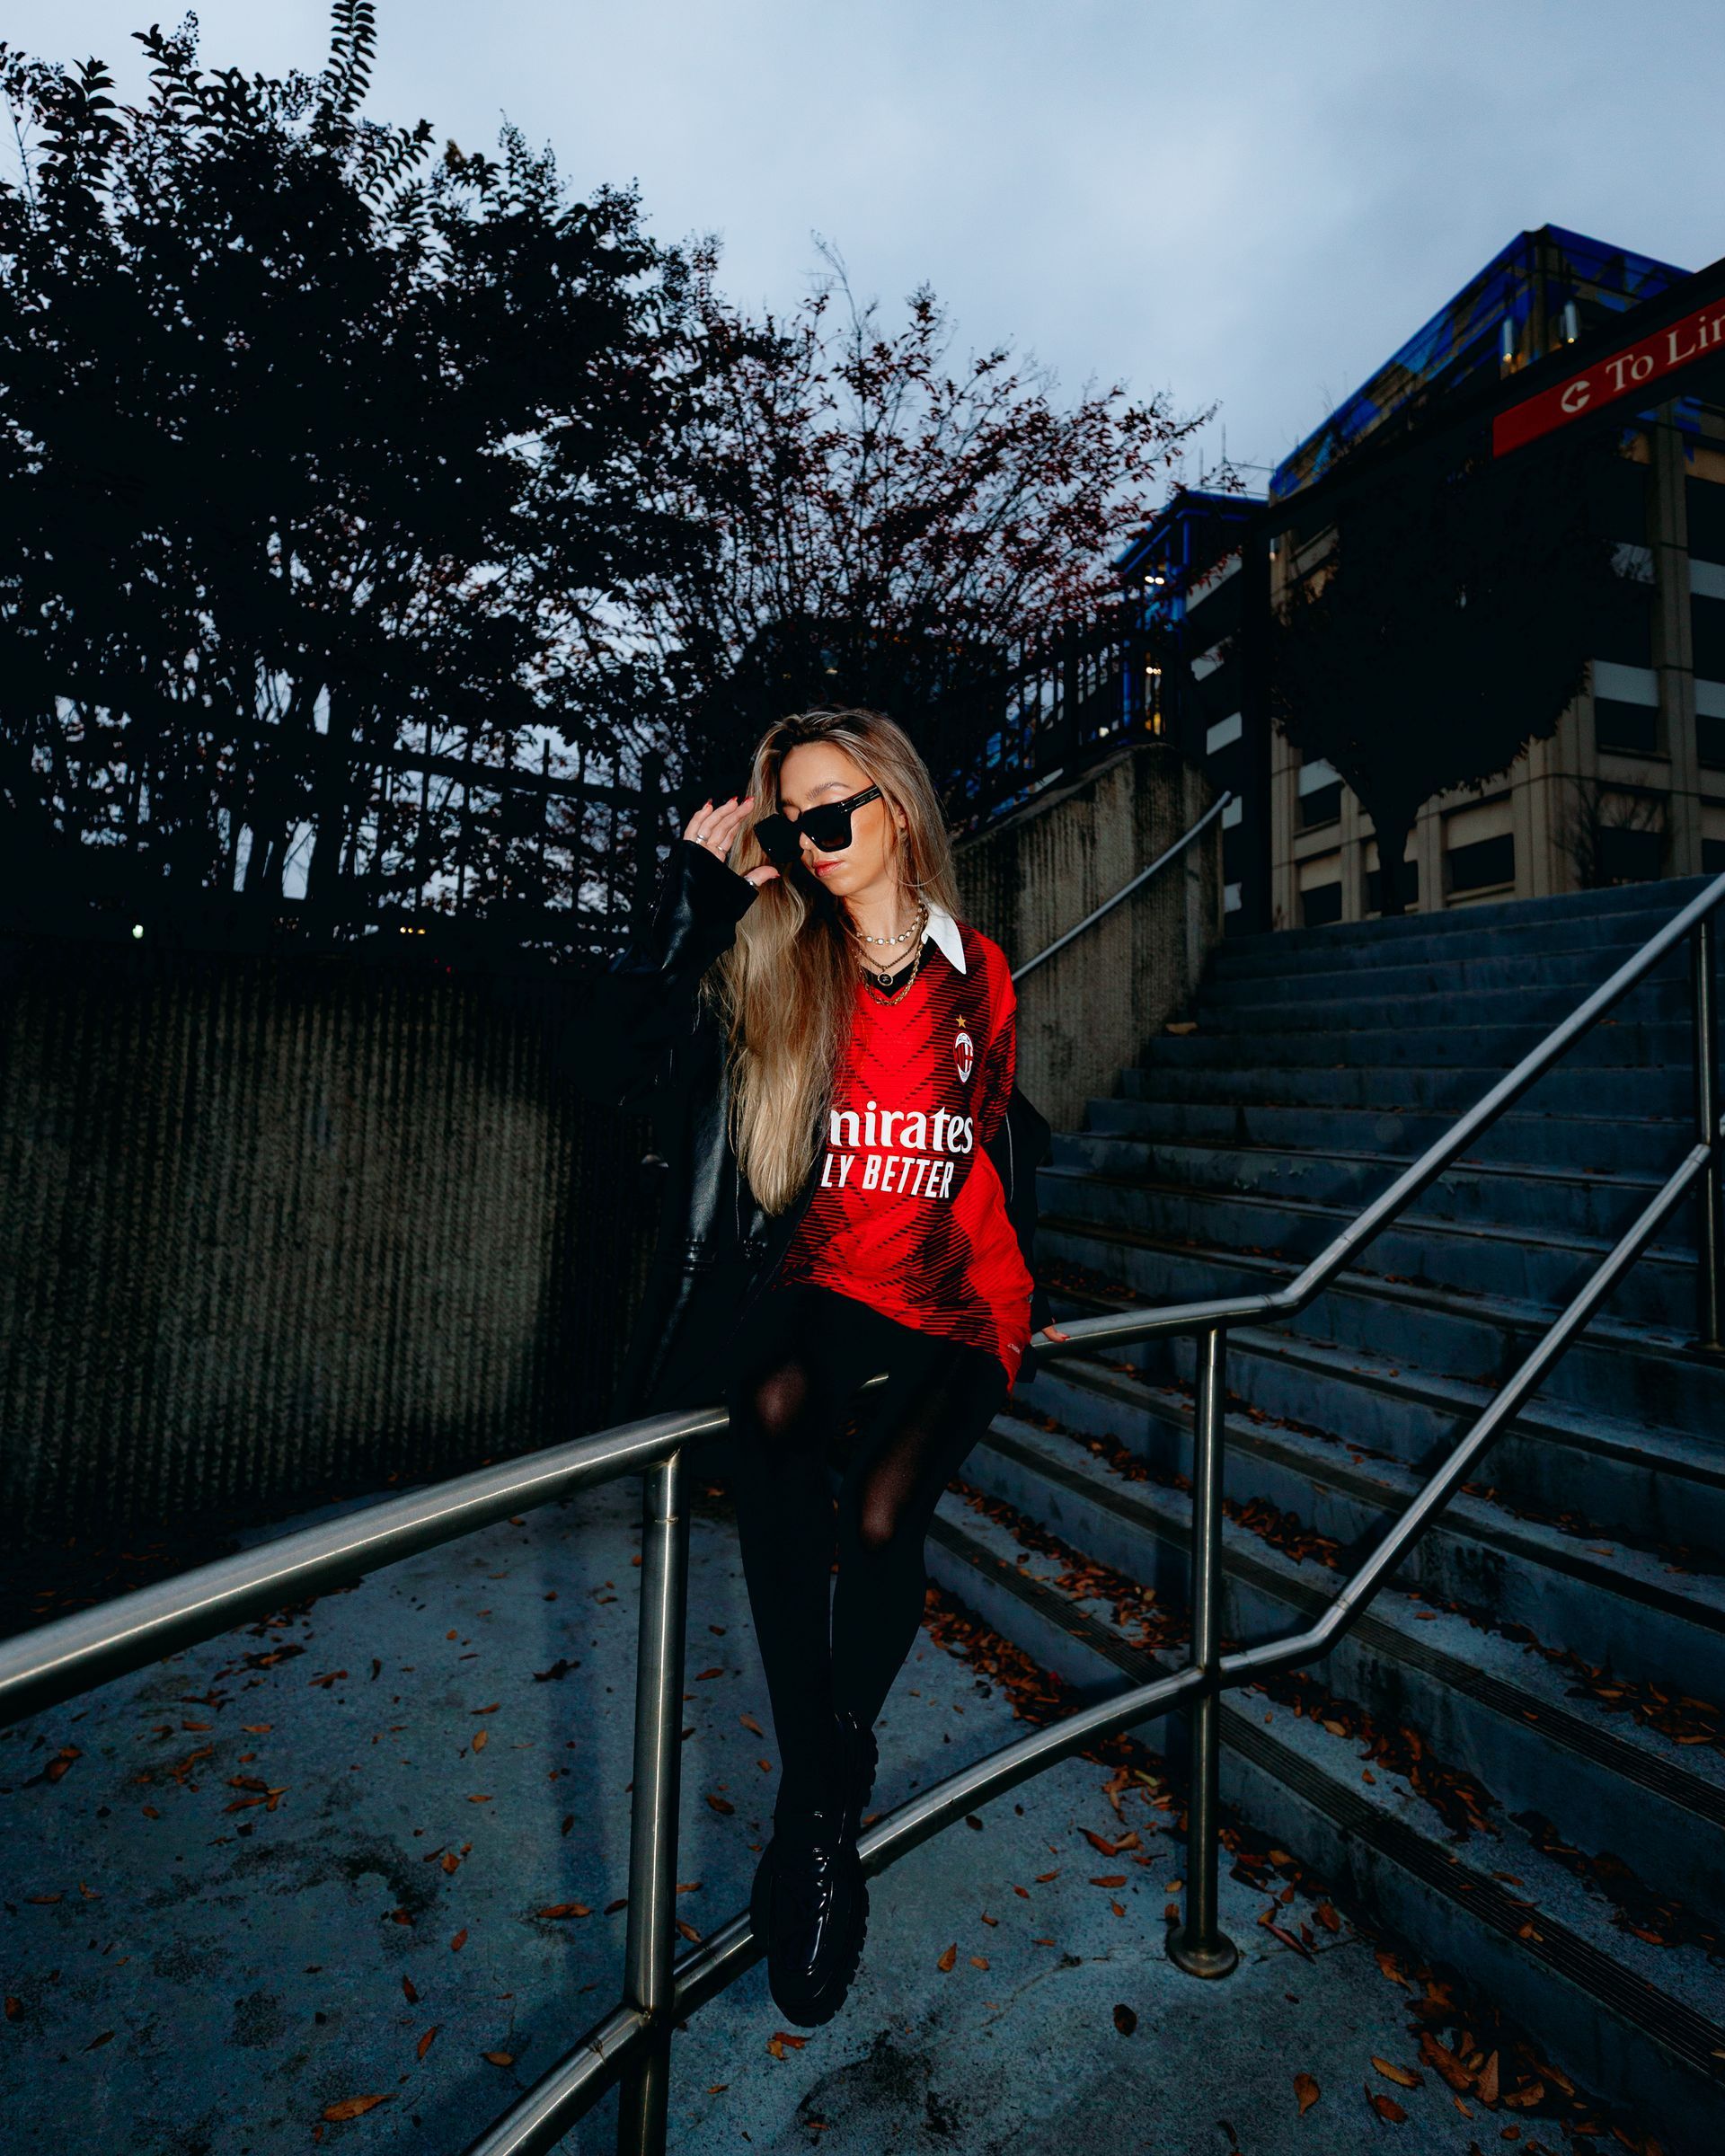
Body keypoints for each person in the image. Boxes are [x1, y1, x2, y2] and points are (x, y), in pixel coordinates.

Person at [570, 706, 1066, 2028]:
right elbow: (609, 1066)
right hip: (832, 1279)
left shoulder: (980, 972)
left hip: (958, 1295)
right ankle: (825, 1805)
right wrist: (690, 905)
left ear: (898, 808)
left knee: (886, 1514)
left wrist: (1032, 1283)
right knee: (770, 1398)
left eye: (835, 808)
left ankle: (811, 1807)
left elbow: (1000, 1136)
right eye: (793, 821)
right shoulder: (783, 954)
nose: (813, 837)